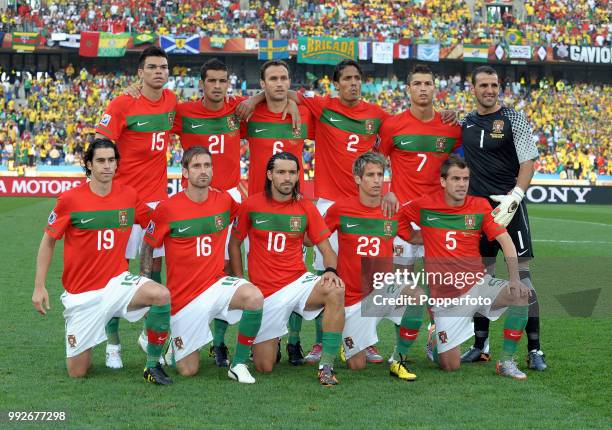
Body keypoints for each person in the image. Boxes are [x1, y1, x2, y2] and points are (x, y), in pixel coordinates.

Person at [32, 139, 173, 384]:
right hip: (83, 295)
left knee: (160, 295)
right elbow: (48, 241)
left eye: (111, 160)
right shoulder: (70, 199)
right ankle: (86, 337)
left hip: (118, 284)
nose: (107, 166)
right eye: (100, 161)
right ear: (89, 164)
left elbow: (155, 222)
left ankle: (152, 365)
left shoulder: (128, 195)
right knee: (78, 371)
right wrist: (39, 286)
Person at [400, 155, 530, 379]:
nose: (462, 184)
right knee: (450, 366)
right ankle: (434, 338)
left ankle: (506, 361)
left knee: (521, 294)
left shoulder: (478, 206)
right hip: (446, 298)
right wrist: (416, 237)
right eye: (456, 179)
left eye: (465, 179)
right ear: (443, 181)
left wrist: (514, 278)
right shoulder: (425, 205)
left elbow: (505, 240)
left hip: (479, 286)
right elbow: (397, 217)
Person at [142, 146, 263, 383]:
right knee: (188, 370)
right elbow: (148, 246)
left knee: (254, 297)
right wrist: (147, 287)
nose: (203, 171)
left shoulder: (224, 201)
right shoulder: (168, 208)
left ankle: (237, 364)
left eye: (207, 165)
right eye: (197, 166)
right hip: (184, 299)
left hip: (216, 285)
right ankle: (174, 348)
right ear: (185, 172)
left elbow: (248, 214)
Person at [228, 152, 345, 386]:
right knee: (264, 367)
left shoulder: (305, 207)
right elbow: (234, 243)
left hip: (298, 283)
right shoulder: (251, 204)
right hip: (266, 294)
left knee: (335, 290)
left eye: (292, 172)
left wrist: (331, 271)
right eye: (281, 172)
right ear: (270, 175)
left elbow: (327, 248)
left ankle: (327, 365)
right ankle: (273, 339)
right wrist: (241, 280)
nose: (287, 177)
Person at [459, 66, 547, 370]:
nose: (489, 90)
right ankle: (479, 344)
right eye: (483, 85)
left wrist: (516, 196)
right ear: (473, 88)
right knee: (480, 278)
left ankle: (535, 349)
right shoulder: (465, 122)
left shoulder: (514, 118)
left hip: (510, 210)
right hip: (478, 214)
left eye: (494, 85)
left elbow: (528, 162)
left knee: (522, 278)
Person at [95, 46, 177, 367]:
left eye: (164, 67)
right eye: (153, 67)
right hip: (124, 201)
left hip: (156, 203)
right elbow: (101, 144)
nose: (159, 72)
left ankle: (148, 332)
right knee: (115, 274)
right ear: (140, 73)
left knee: (153, 271)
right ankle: (112, 343)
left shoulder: (171, 103)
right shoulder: (122, 103)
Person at [325, 152, 424, 380]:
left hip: (382, 291)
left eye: (381, 174)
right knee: (356, 366)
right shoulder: (340, 209)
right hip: (352, 299)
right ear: (358, 178)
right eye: (370, 175)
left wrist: (447, 231)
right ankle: (347, 342)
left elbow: (413, 237)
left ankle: (399, 359)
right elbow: (315, 236)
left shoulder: (392, 211)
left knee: (417, 295)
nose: (377, 180)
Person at [379, 63, 462, 269]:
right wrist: (384, 193)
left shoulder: (451, 128)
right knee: (401, 286)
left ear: (435, 88)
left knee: (442, 285)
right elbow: (375, 165)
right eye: (417, 84)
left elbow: (464, 166)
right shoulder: (392, 125)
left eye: (428, 83)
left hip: (439, 215)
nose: (423, 88)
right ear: (408, 89)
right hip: (402, 213)